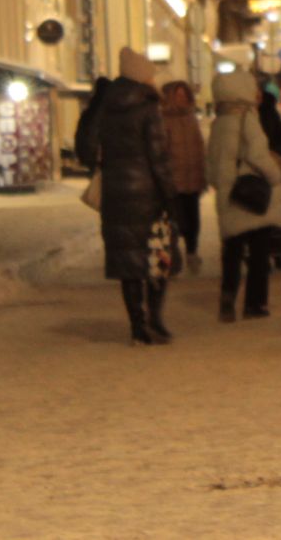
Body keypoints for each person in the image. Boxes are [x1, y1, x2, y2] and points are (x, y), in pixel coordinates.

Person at [94, 48, 175, 345]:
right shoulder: (148, 107)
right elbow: (159, 156)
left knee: (128, 263)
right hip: (148, 195)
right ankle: (155, 318)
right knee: (158, 256)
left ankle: (137, 326)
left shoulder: (107, 106)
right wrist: (170, 194)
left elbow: (93, 148)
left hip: (116, 194)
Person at [206, 69, 281, 321]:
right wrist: (275, 176)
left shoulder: (219, 122)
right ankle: (254, 303)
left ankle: (227, 297)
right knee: (258, 254)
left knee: (232, 252)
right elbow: (257, 154)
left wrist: (222, 183)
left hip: (229, 196)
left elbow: (210, 165)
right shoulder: (247, 118)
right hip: (251, 195)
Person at [158, 80, 207, 275]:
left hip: (193, 178)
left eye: (184, 95)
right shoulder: (164, 119)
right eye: (178, 95)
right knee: (175, 221)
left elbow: (199, 146)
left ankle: (192, 252)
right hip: (175, 180)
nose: (182, 99)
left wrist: (203, 172)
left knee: (193, 219)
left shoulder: (191, 118)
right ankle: (172, 256)